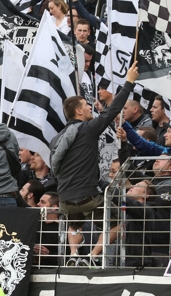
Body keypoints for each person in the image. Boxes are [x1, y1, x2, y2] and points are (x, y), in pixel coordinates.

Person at [51, 61, 139, 262]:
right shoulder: (87, 129)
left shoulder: (57, 138)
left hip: (64, 199)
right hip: (88, 197)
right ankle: (93, 255)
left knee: (74, 224)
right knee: (117, 222)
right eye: (86, 106)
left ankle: (73, 255)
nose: (90, 107)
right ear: (79, 112)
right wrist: (129, 83)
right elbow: (113, 110)